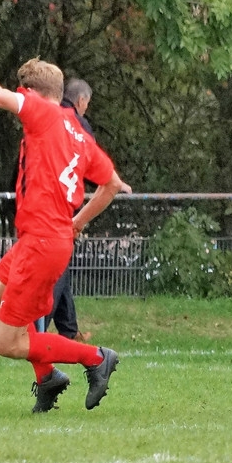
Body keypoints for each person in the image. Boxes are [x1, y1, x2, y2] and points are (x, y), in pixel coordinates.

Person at [0, 43, 123, 413]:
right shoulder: (77, 130)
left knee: (7, 344)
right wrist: (77, 222)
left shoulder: (41, 111)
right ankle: (47, 377)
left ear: (31, 92)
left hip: (43, 243)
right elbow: (112, 184)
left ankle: (96, 358)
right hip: (45, 238)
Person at [39, 78, 133, 342]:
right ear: (81, 100)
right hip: (61, 209)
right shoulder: (77, 124)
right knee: (56, 267)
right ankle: (38, 327)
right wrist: (113, 182)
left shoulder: (46, 116)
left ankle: (68, 329)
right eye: (87, 104)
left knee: (60, 265)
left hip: (40, 202)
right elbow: (88, 159)